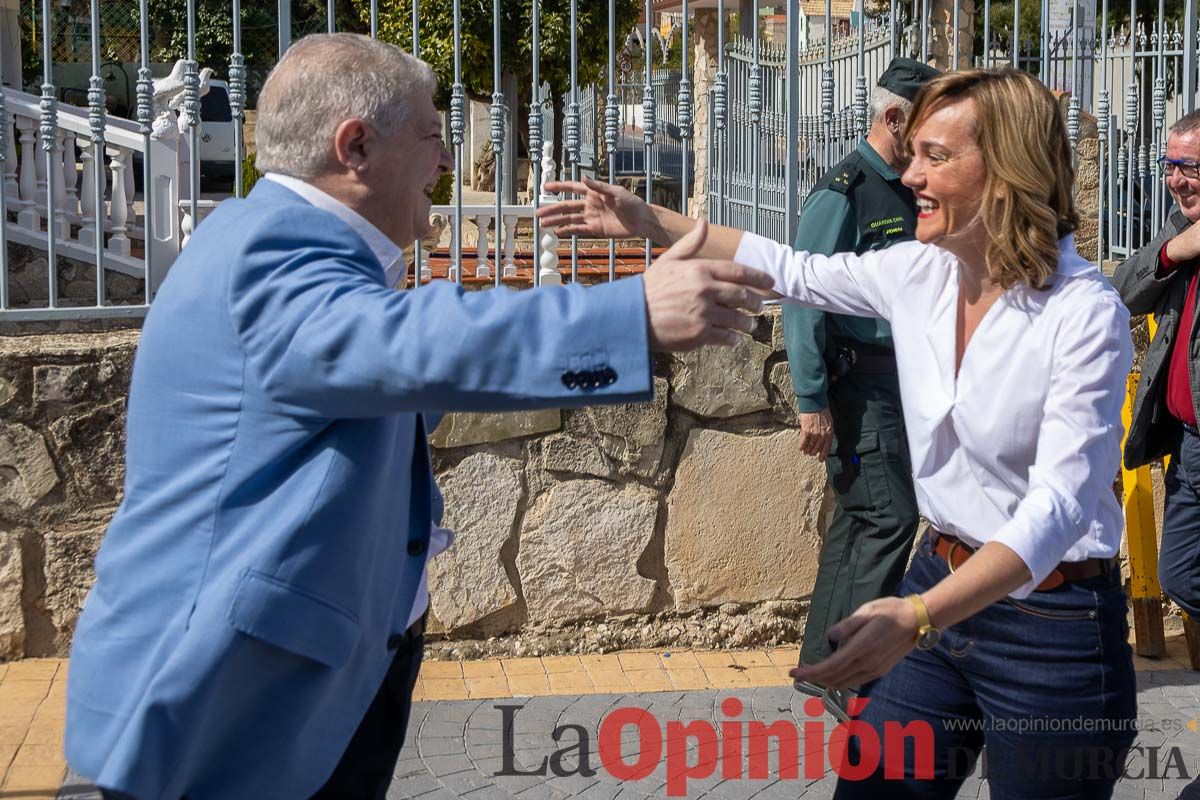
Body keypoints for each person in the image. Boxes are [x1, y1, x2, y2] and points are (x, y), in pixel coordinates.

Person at [64, 34, 774, 800]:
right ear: (356, 144)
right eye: (433, 136)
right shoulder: (271, 252)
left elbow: (404, 372)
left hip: (294, 682)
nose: (443, 162)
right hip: (216, 702)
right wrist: (627, 313)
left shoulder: (279, 242)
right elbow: (413, 344)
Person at [539, 67, 1137, 798]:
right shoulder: (918, 271)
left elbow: (1060, 509)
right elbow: (794, 271)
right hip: (936, 585)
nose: (910, 173)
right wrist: (651, 222)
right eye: (911, 152)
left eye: (936, 158)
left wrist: (915, 616)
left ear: (1010, 172)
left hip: (1053, 627)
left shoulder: (1084, 313)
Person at [783, 57, 938, 721]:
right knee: (890, 517)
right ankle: (856, 676)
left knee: (860, 518)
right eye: (926, 125)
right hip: (857, 384)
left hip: (898, 381)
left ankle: (826, 661)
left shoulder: (910, 186)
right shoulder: (844, 191)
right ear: (894, 117)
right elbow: (801, 295)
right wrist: (811, 401)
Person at [1113, 110, 1200, 621]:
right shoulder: (1178, 228)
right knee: (1179, 574)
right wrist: (1172, 252)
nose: (1174, 180)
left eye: (1188, 167)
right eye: (1170, 165)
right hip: (1183, 441)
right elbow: (1122, 289)